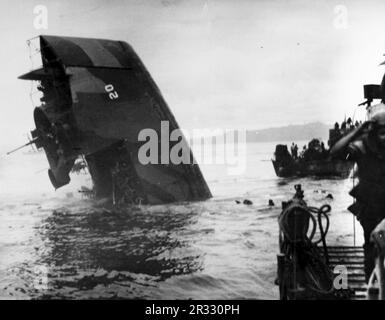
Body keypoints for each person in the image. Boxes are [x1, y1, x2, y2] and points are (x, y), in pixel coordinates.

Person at [330, 108, 385, 281]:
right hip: (370, 209)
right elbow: (336, 152)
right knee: (371, 253)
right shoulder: (361, 148)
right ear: (374, 132)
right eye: (383, 132)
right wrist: (358, 130)